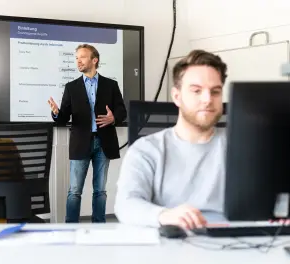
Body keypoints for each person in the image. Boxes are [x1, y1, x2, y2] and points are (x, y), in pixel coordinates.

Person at [114, 49, 228, 229]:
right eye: (196, 91)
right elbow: (126, 204)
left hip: (233, 245)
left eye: (215, 92)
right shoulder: (146, 149)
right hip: (171, 243)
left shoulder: (242, 148)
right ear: (177, 96)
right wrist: (164, 215)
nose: (207, 99)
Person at [48, 44, 127, 223]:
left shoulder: (111, 85)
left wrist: (113, 118)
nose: (78, 61)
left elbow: (122, 112)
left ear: (94, 60)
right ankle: (71, 228)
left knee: (100, 190)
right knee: (75, 191)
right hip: (80, 143)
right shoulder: (71, 87)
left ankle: (98, 227)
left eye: (82, 57)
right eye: (77, 58)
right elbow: (62, 119)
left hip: (103, 142)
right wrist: (55, 112)